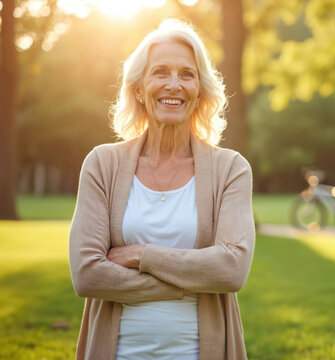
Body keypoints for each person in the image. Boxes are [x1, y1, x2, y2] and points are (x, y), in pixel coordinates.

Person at [69, 20, 255, 360]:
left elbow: (231, 268)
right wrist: (192, 282)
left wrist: (144, 256)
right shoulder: (102, 164)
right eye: (161, 72)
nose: (174, 84)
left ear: (200, 90)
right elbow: (87, 274)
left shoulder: (231, 168)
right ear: (140, 87)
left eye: (187, 74)